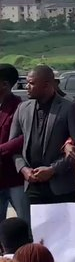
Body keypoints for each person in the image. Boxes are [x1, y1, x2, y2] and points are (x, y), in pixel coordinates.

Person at [10, 66, 75, 206]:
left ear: (46, 85)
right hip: (32, 185)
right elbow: (13, 146)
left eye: (31, 83)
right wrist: (23, 169)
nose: (27, 86)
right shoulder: (22, 109)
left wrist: (52, 170)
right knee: (38, 228)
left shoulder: (69, 108)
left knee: (65, 227)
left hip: (62, 187)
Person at [0, 65, 28, 223]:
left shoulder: (20, 107)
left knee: (25, 222)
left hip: (15, 177)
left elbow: (25, 137)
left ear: (5, 84)